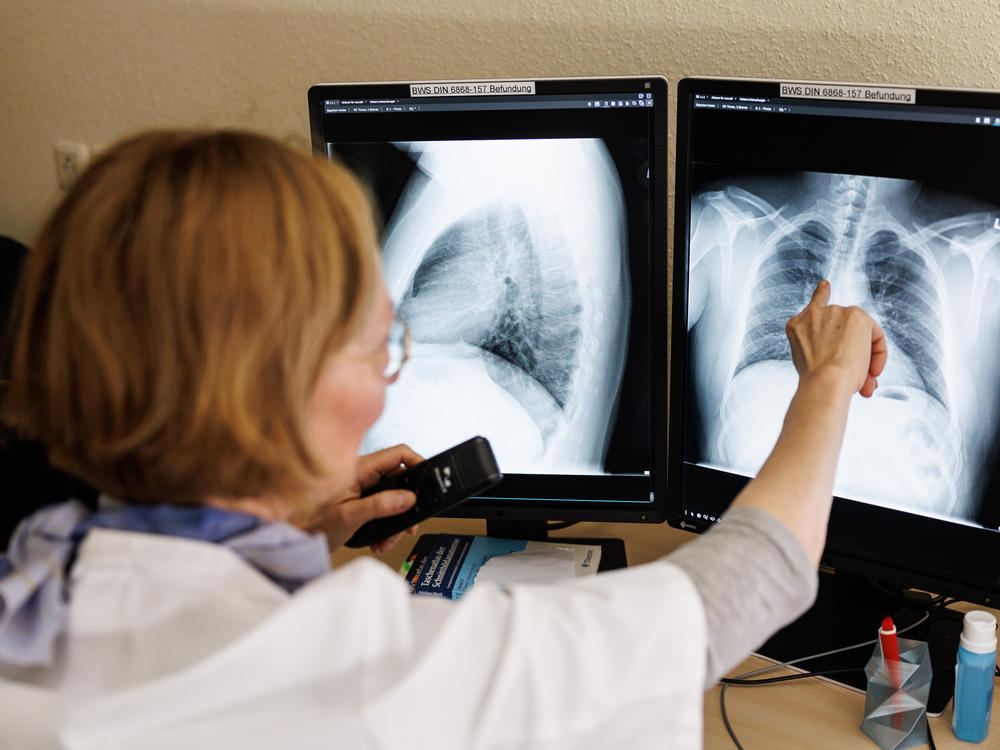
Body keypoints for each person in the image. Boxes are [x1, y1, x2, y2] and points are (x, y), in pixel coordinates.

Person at [0, 130, 886, 749]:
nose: (387, 379)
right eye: (374, 347)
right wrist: (826, 383)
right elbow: (744, 585)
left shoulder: (30, 583)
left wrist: (289, 527)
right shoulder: (368, 676)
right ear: (276, 398)